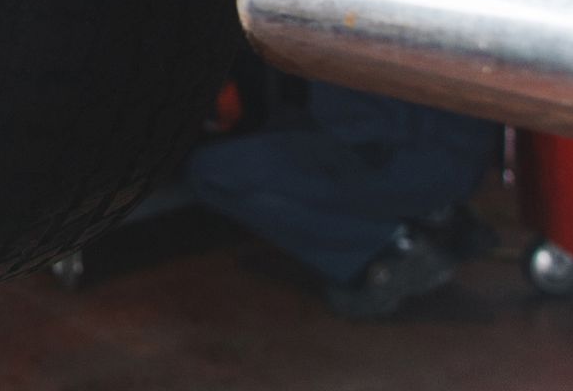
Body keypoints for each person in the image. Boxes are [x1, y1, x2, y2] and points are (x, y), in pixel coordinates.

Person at [186, 79, 500, 319]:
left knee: (214, 171)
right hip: (464, 151)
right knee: (292, 130)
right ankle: (437, 215)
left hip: (408, 157)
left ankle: (392, 250)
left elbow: (358, 131)